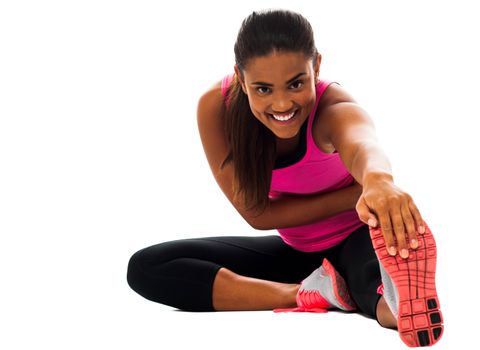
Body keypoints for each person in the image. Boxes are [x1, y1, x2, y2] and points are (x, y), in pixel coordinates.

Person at [127, 9, 443, 347]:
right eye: (263, 89)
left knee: (372, 286)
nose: (281, 103)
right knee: (148, 266)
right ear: (239, 76)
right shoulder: (215, 107)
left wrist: (378, 179)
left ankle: (400, 304)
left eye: (296, 83)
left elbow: (363, 144)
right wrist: (357, 194)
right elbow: (257, 214)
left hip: (356, 237)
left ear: (316, 66)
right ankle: (312, 292)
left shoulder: (332, 106)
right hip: (298, 252)